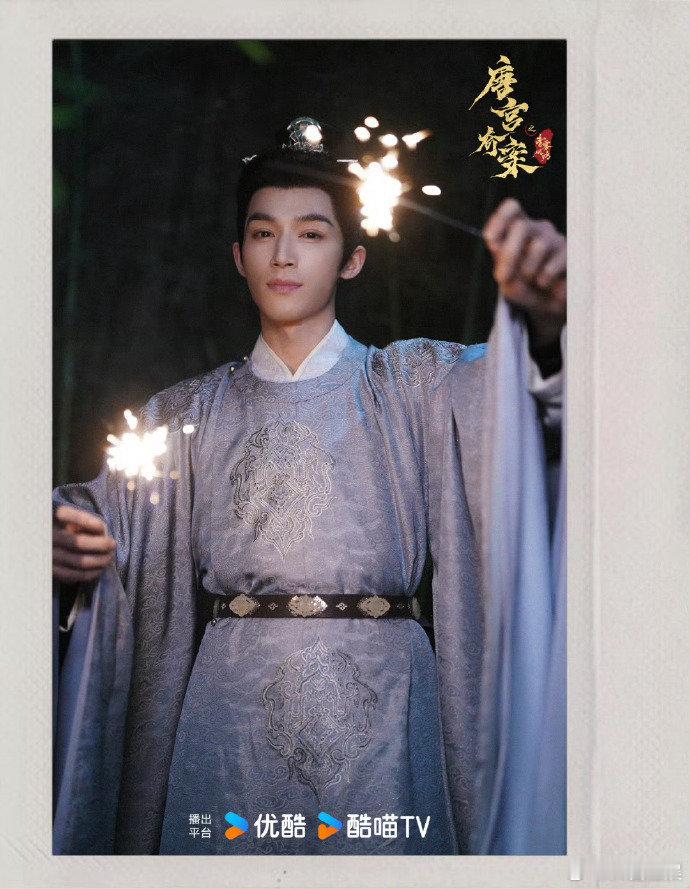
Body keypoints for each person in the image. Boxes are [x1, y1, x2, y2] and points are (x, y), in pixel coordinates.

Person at [53, 120, 566, 855]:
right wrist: (58, 533)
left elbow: (519, 403)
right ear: (239, 255)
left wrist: (541, 321)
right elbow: (103, 517)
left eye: (312, 234)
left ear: (352, 258)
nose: (284, 255)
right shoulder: (185, 415)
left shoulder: (415, 384)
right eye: (263, 233)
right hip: (228, 715)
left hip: (386, 712)